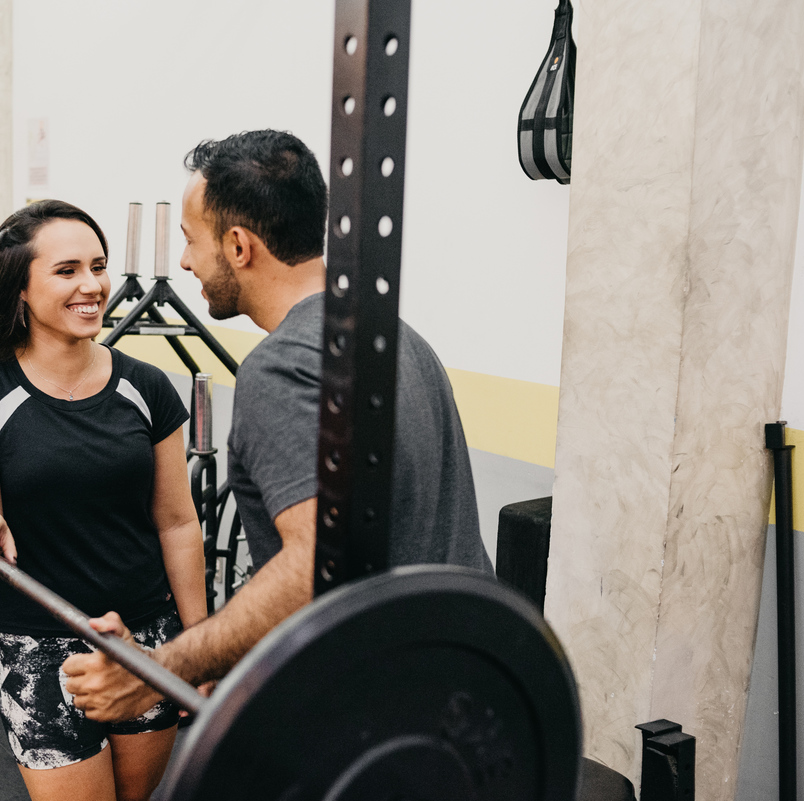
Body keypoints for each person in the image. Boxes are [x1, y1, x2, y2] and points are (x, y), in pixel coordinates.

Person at [62, 130, 491, 721]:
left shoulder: (282, 366)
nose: (184, 261)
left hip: (374, 709)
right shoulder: (395, 334)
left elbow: (315, 564)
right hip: (462, 682)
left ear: (239, 246)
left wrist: (163, 669)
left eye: (191, 240)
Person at [0, 200, 206, 801]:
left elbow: (177, 523)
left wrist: (196, 650)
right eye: (67, 270)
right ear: (19, 288)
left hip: (144, 637)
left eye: (98, 266)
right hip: (38, 645)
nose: (92, 285)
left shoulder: (146, 386)